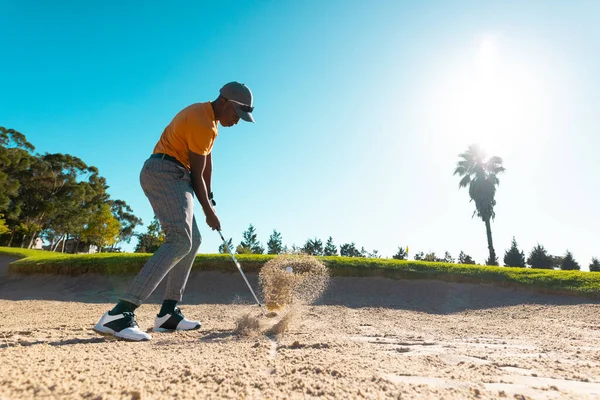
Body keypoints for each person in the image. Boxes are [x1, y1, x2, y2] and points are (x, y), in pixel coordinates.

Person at [94, 82, 255, 341]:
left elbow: (206, 169)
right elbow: (196, 175)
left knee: (193, 241)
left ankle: (168, 314)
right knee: (180, 239)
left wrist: (210, 201)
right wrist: (208, 212)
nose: (237, 121)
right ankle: (120, 314)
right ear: (224, 102)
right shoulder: (201, 121)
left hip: (176, 176)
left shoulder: (212, 124)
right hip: (164, 172)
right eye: (237, 115)